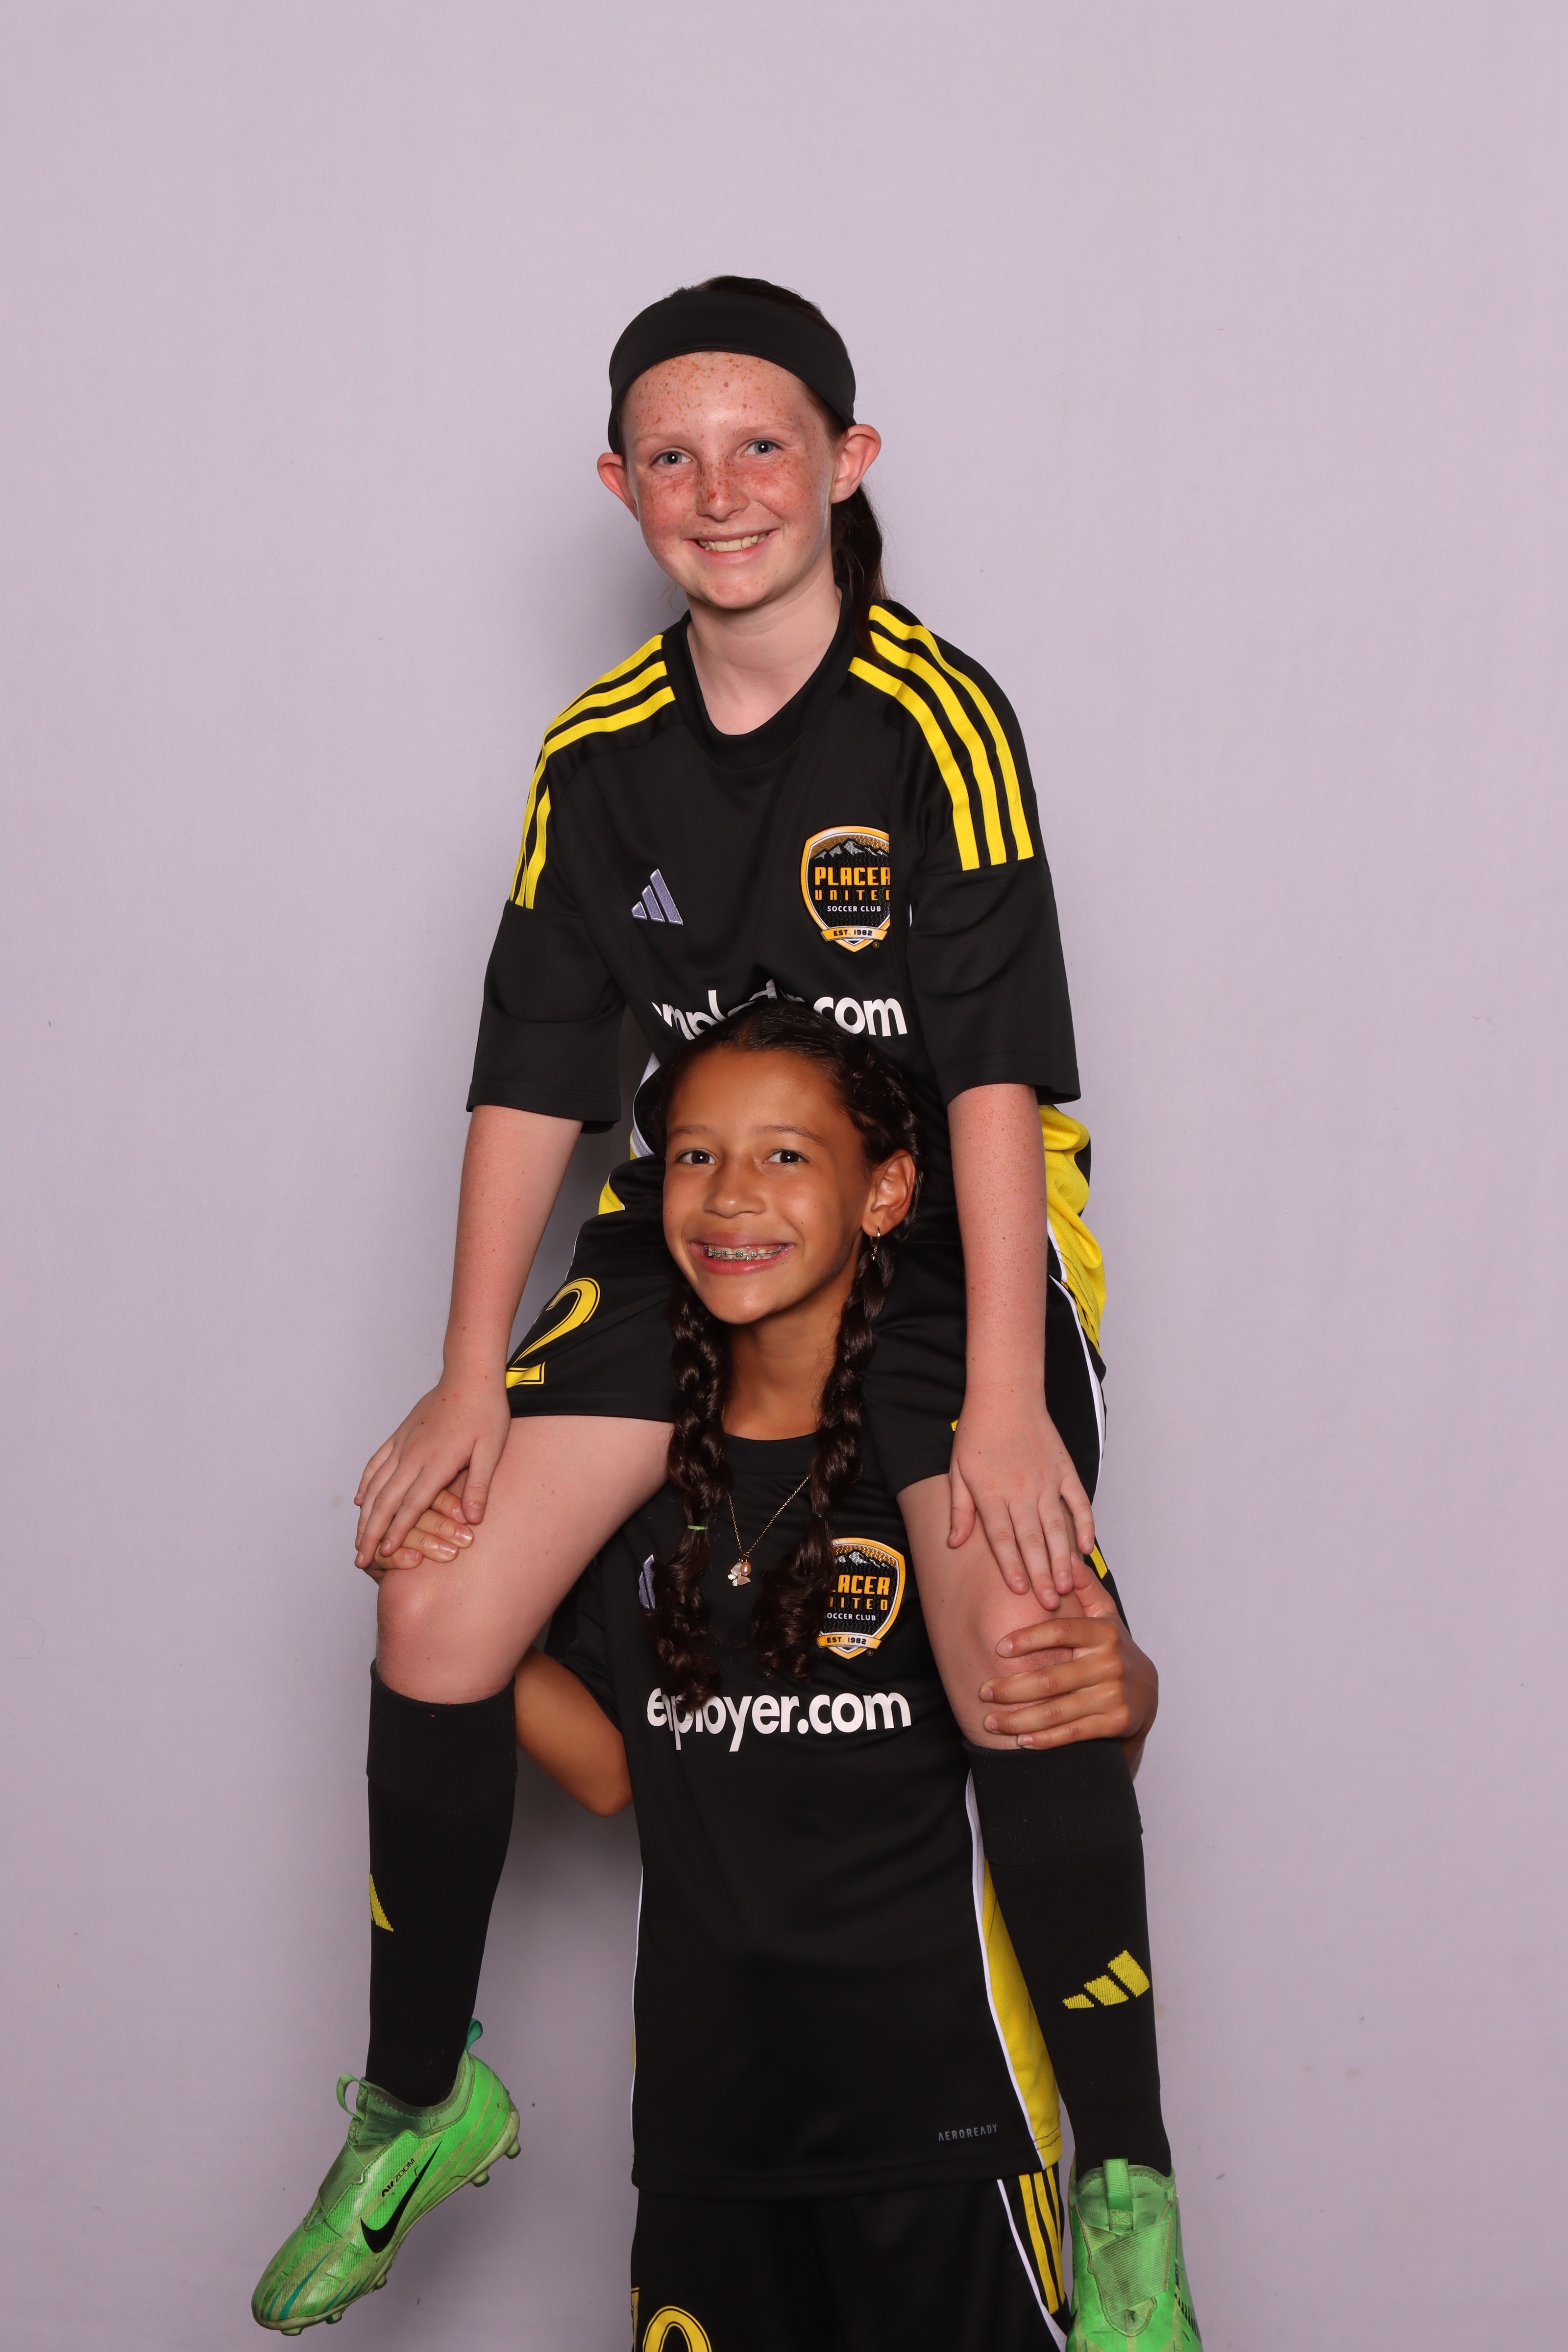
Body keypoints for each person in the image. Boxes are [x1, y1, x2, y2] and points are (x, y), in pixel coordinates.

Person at [253, 280, 1137, 2331]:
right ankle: (419, 2093)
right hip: (702, 1227)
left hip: (944, 1231)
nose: (717, 489)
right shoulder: (596, 751)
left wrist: (1005, 1396)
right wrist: (466, 1379)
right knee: (433, 1595)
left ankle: (1122, 2174)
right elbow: (535, 1076)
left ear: (846, 463)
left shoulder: (935, 720)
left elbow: (994, 1080)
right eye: (672, 454)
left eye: (761, 447)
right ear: (618, 485)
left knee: (1020, 1638)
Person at [508, 1008, 1195, 2348]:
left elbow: (1076, 1746)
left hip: (949, 2125)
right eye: (696, 1157)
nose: (732, 1196)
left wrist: (1132, 1687)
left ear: (886, 1194)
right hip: (710, 2133)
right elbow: (604, 1774)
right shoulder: (624, 1479)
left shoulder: (960, 1474)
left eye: (786, 1155)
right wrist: (449, 1635)